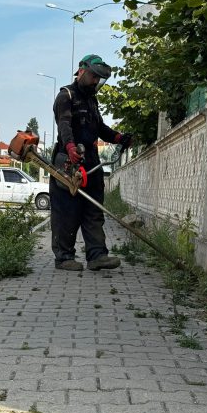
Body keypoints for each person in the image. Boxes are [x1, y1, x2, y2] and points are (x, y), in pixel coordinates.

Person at [50, 54, 133, 271]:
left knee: (94, 210)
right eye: (94, 77)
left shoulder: (91, 99)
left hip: (92, 163)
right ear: (82, 72)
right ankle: (64, 257)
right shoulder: (65, 96)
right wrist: (70, 148)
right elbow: (64, 125)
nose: (96, 82)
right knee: (67, 211)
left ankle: (97, 255)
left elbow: (99, 128)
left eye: (100, 79)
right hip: (69, 162)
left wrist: (118, 137)